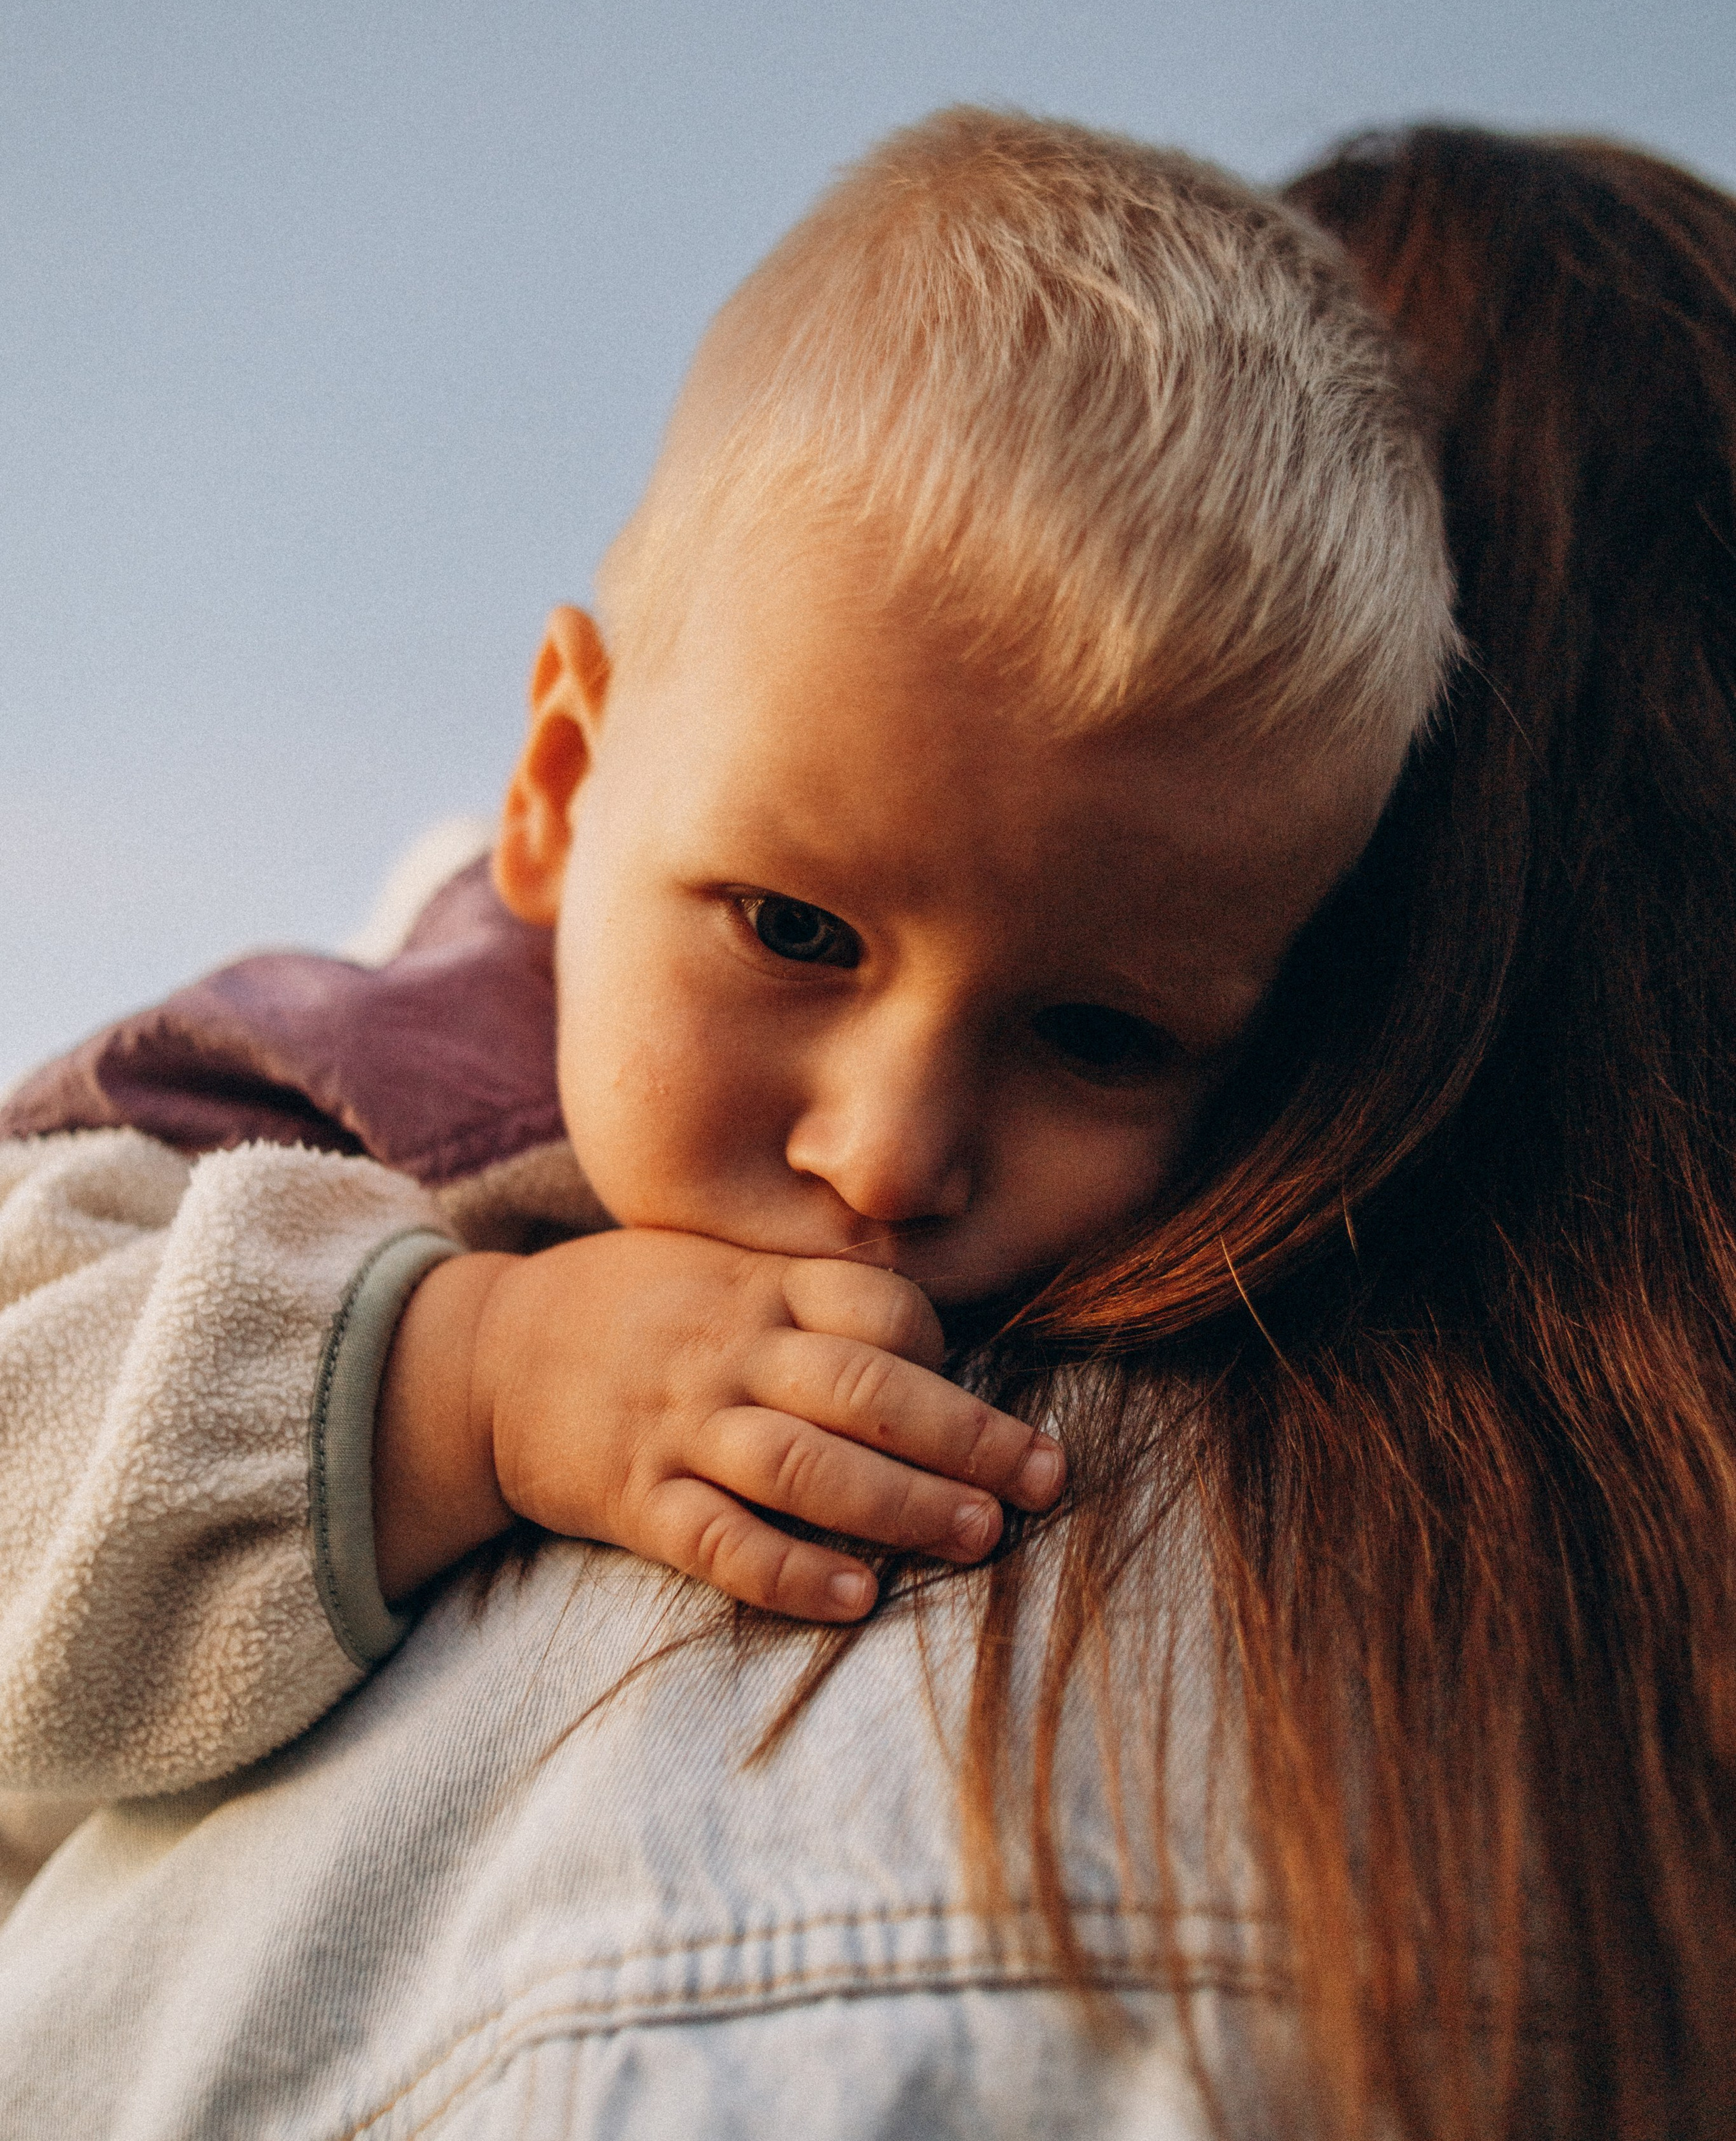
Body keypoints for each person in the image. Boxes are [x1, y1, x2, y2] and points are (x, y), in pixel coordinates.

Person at [7, 113, 1729, 2140]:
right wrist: (471, 1380)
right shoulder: (318, 1097)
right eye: (797, 930)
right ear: (557, 785)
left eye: (1097, 1036)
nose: (894, 1150)